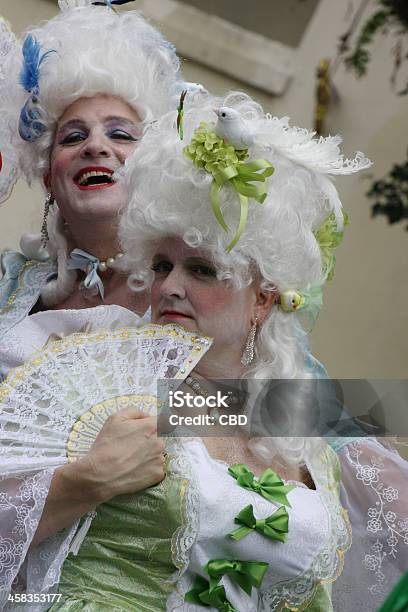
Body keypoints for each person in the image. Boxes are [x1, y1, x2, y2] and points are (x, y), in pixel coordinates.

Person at [0, 1, 189, 608]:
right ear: (50, 177)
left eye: (121, 133)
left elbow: (290, 413)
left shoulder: (200, 284)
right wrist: (82, 480)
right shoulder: (10, 286)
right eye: (72, 137)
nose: (95, 147)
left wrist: (162, 421)